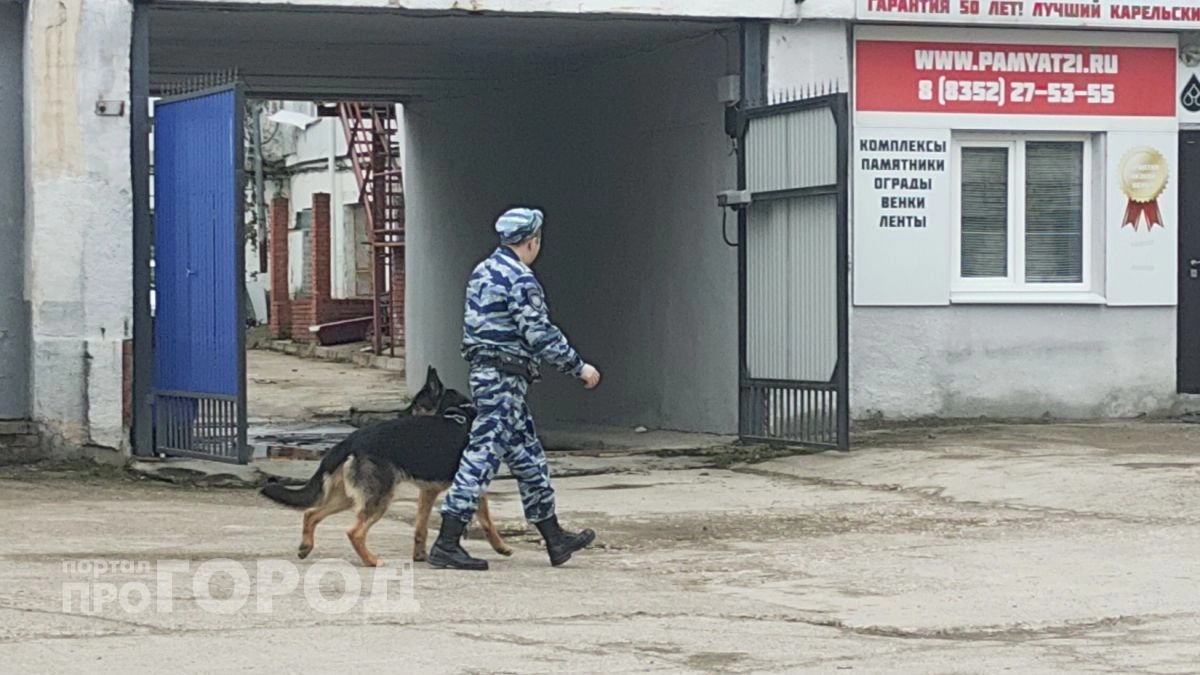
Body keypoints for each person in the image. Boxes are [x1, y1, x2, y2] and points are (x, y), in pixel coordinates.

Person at [428, 207, 602, 571]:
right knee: (482, 455)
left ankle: (554, 538)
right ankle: (447, 541)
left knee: (528, 457)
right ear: (532, 240)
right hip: (503, 380)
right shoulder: (520, 279)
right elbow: (539, 333)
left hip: (491, 375)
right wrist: (578, 367)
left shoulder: (483, 270)